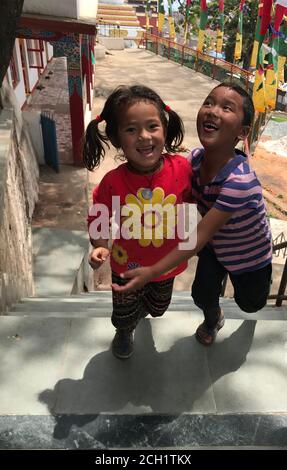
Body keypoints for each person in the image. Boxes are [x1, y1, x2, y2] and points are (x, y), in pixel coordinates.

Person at [112, 82, 273, 346]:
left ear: (242, 132)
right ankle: (213, 319)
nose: (212, 111)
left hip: (249, 256)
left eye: (226, 108)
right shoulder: (195, 160)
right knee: (201, 294)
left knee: (250, 305)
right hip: (216, 246)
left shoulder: (240, 182)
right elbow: (164, 176)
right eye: (208, 102)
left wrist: (153, 271)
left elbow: (197, 236)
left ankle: (254, 294)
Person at [84, 85, 192, 359]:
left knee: (158, 308)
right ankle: (124, 330)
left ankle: (141, 311)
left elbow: (196, 201)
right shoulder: (113, 182)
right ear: (117, 138)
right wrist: (99, 245)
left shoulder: (182, 168)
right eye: (131, 129)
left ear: (164, 130)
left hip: (166, 266)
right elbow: (99, 216)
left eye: (152, 126)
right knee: (123, 313)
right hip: (126, 265)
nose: (144, 137)